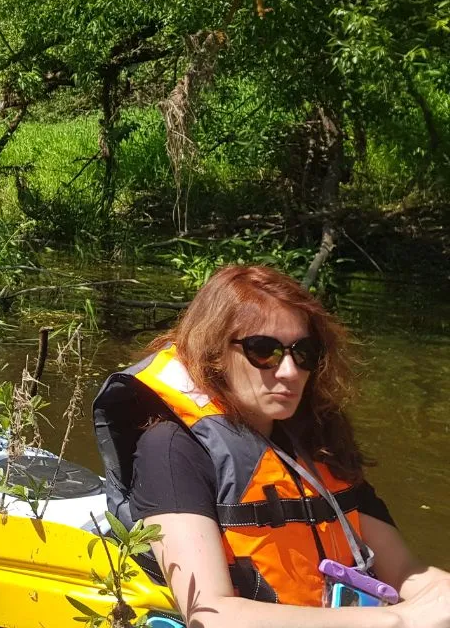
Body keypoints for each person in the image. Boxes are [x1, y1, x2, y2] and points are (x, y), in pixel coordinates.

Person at [93, 264, 450, 627]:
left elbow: (406, 571)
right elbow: (211, 614)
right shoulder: (171, 449)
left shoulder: (317, 443)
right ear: (214, 351)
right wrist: (396, 621)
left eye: (304, 352)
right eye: (264, 350)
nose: (290, 371)